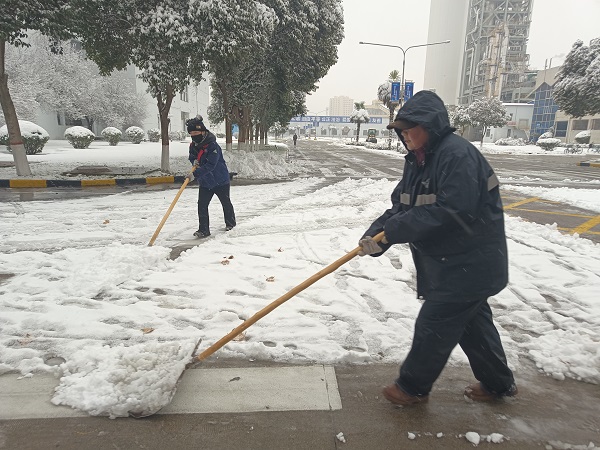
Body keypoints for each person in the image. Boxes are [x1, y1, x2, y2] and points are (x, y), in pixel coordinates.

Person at [358, 90, 517, 406]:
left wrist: (394, 231)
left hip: (470, 263)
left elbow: (452, 211)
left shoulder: (456, 156)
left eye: (409, 128)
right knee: (473, 325)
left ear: (430, 125)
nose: (405, 135)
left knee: (435, 322)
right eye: (401, 131)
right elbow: (401, 207)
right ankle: (499, 384)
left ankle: (411, 387)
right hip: (453, 264)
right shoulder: (418, 160)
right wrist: (376, 236)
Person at [186, 116, 236, 238]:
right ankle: (203, 230)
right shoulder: (193, 145)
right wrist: (194, 162)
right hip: (205, 182)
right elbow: (192, 156)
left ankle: (231, 224)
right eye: (192, 133)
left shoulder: (212, 146)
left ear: (203, 132)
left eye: (196, 133)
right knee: (202, 205)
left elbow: (211, 165)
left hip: (220, 180)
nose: (194, 135)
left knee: (225, 202)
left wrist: (195, 174)